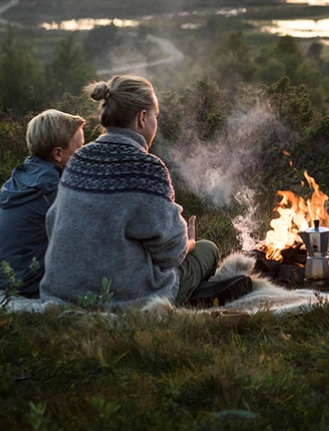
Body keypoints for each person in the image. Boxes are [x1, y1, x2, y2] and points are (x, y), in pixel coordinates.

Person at [40, 75, 251, 307]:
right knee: (207, 249)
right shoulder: (147, 168)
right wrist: (188, 243)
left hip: (63, 292)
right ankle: (195, 294)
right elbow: (171, 254)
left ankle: (198, 292)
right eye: (155, 116)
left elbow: (54, 223)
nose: (155, 123)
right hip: (122, 299)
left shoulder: (78, 159)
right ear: (142, 118)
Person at [0, 109, 86, 297]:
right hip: (24, 286)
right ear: (58, 154)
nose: (83, 156)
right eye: (79, 149)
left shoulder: (20, 178)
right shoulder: (53, 190)